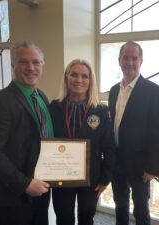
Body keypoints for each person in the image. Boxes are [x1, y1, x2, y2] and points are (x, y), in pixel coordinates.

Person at [0, 40, 53, 225]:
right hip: (12, 195)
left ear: (42, 65)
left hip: (41, 188)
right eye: (23, 62)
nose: (31, 67)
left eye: (36, 62)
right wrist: (25, 184)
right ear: (13, 65)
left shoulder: (42, 97)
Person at [49, 59, 115, 225]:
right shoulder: (54, 107)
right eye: (74, 75)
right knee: (63, 218)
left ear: (90, 81)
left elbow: (109, 147)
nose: (79, 80)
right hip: (61, 175)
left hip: (91, 176)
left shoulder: (101, 110)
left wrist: (105, 178)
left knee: (87, 218)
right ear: (66, 77)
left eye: (84, 76)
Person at [108, 41, 159, 225]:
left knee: (141, 208)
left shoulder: (153, 91)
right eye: (126, 58)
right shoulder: (113, 90)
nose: (130, 62)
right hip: (117, 160)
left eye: (135, 58)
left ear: (141, 61)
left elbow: (158, 132)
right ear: (119, 60)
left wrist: (152, 167)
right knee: (120, 205)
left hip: (141, 164)